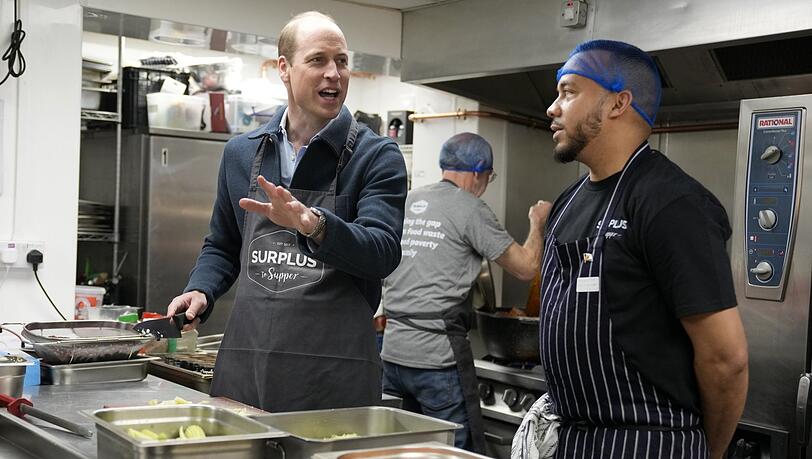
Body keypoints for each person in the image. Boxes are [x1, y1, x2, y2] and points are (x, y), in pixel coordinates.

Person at [165, 11, 408, 412]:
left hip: (333, 379)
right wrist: (200, 288)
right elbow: (223, 244)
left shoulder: (376, 156)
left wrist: (312, 224)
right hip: (248, 367)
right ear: (284, 68)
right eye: (318, 60)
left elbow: (382, 251)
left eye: (342, 61)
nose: (334, 73)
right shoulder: (241, 153)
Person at [521, 39, 748, 458]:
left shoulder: (671, 204)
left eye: (568, 92)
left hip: (648, 442)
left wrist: (707, 453)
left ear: (618, 103)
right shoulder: (568, 203)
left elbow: (725, 359)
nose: (553, 108)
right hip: (572, 440)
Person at [381, 132, 551, 453]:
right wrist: (537, 222)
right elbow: (526, 268)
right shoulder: (471, 208)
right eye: (489, 176)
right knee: (452, 451)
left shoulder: (408, 200)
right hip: (437, 360)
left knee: (401, 450)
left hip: (391, 353)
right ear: (478, 173)